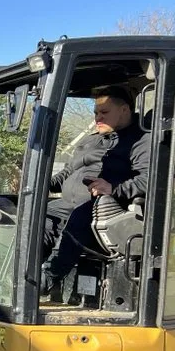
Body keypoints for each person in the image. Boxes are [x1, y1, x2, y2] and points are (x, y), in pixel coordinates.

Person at [42, 85, 150, 302]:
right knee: (37, 214)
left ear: (125, 110)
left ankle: (46, 279)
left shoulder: (141, 140)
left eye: (104, 113)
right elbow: (67, 173)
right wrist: (42, 185)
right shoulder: (92, 140)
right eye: (96, 113)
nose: (98, 118)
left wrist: (114, 188)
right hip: (67, 205)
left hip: (108, 209)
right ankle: (22, 274)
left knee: (80, 216)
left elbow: (149, 179)